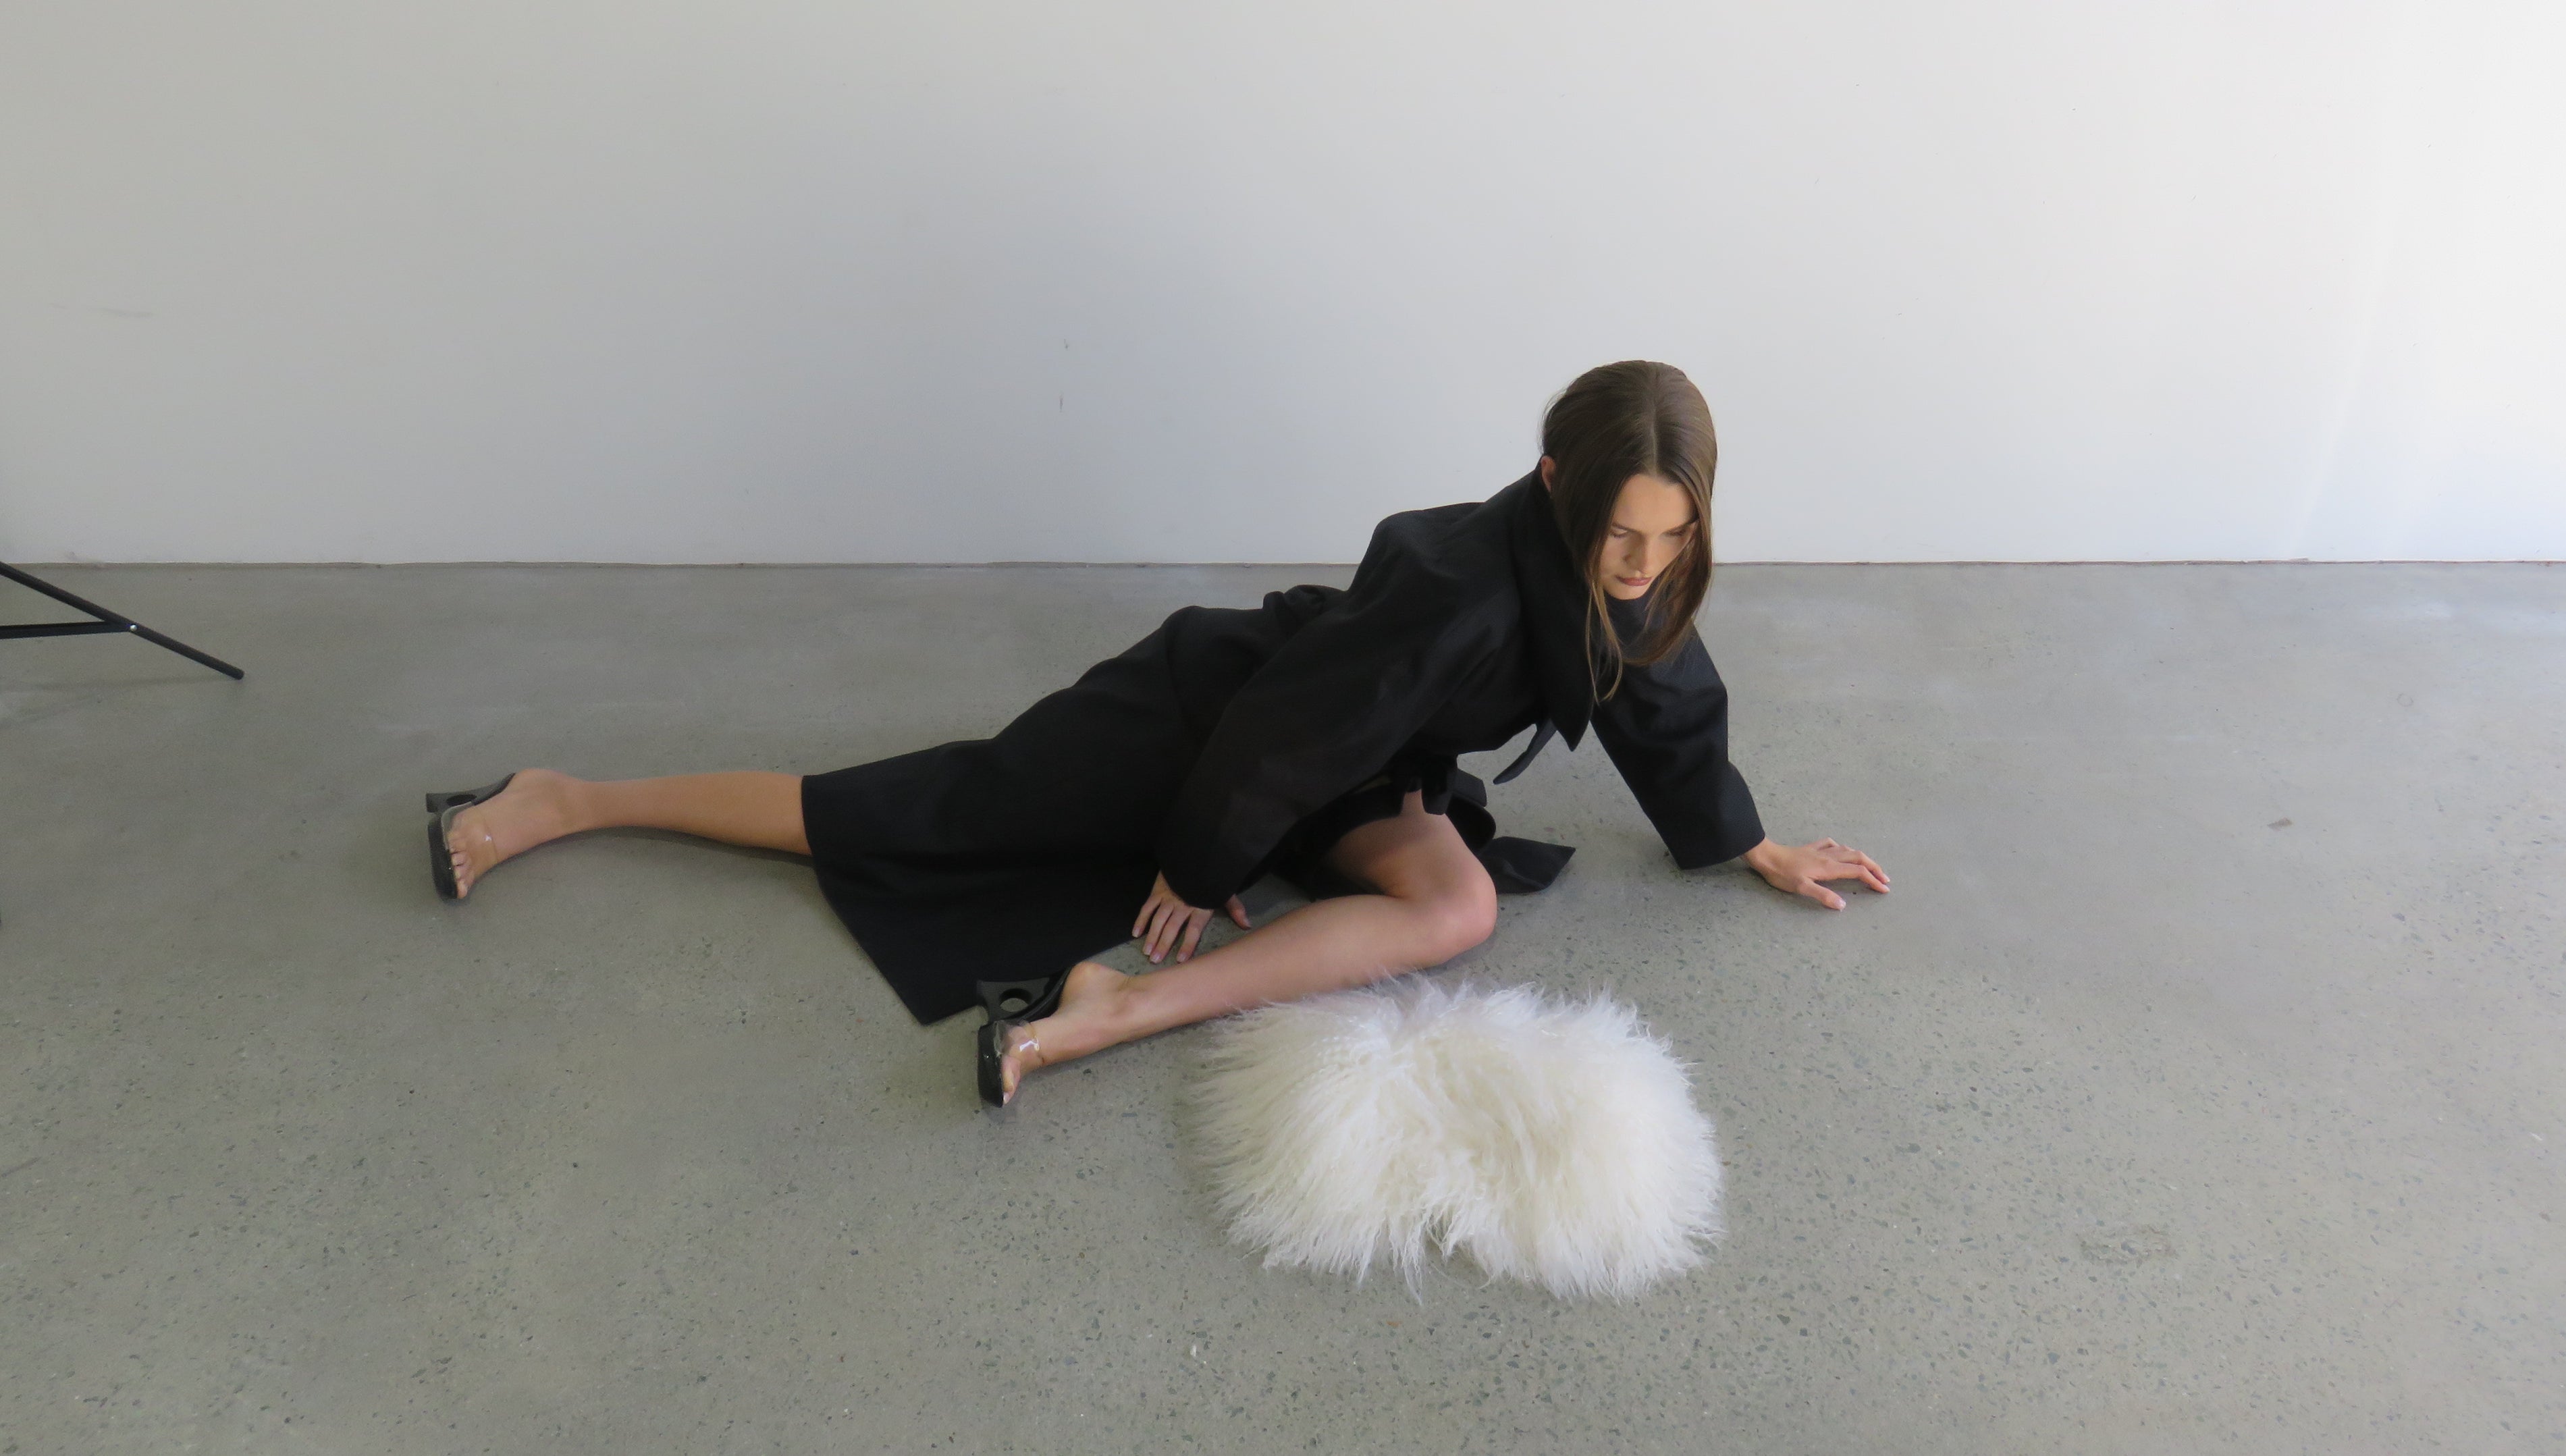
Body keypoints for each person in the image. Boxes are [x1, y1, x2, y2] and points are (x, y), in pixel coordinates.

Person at [422, 360, 1889, 1106]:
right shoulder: (1454, 591)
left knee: (1454, 907)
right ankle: (570, 796)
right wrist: (1197, 864)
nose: (1641, 563)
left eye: (1670, 535)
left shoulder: (1629, 580)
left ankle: (1112, 1007)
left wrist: (1740, 836)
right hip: (1211, 718)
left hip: (1350, 768)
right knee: (921, 811)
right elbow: (1284, 724)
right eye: (1622, 530)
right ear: (1557, 476)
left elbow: (1670, 697)